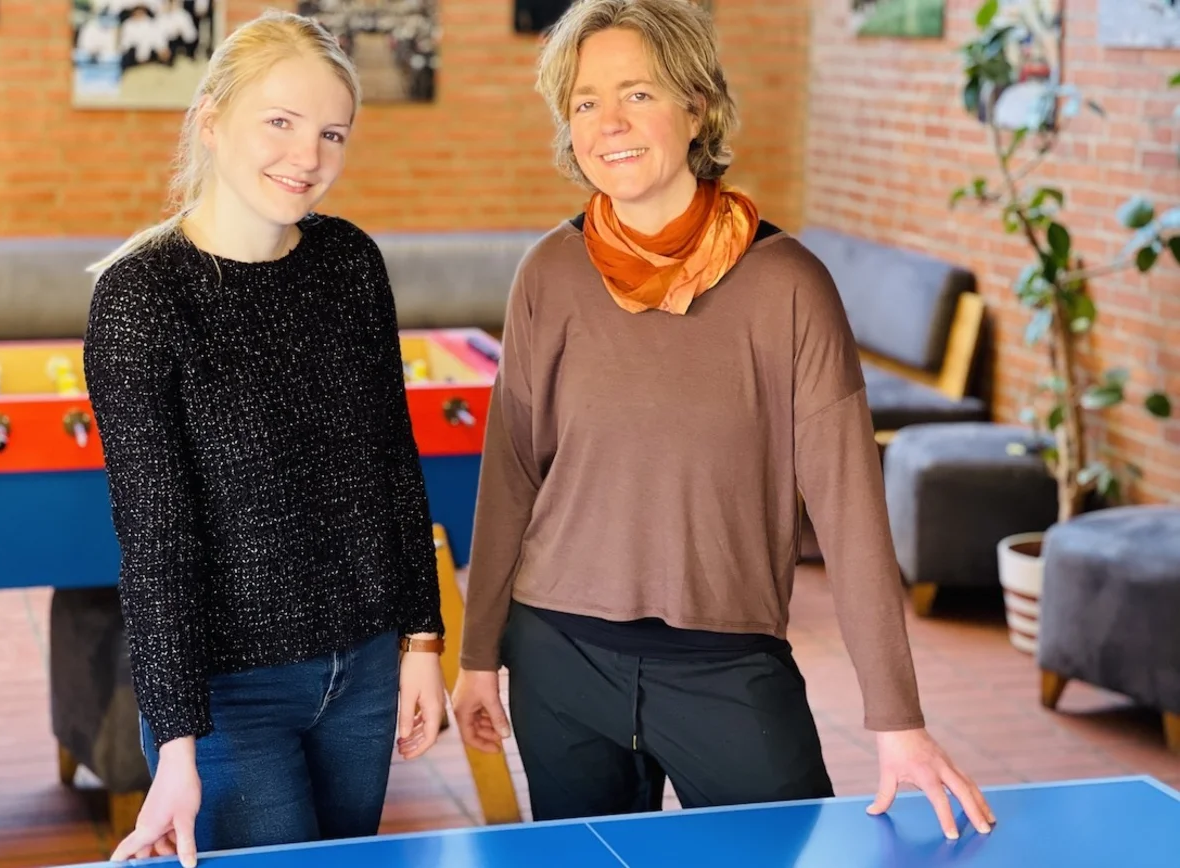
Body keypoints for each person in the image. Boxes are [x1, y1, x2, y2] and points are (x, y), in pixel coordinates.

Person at [450, 0, 996, 842]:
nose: (608, 123)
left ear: (697, 104)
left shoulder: (789, 285)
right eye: (586, 100)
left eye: (637, 92)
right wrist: (479, 654)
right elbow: (512, 475)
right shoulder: (548, 275)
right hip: (559, 658)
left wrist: (896, 717)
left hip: (728, 667)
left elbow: (850, 512)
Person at [82, 10, 446, 865]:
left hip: (363, 673)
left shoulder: (351, 262)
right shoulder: (142, 299)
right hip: (229, 694)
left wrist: (422, 642)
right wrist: (175, 746)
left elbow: (394, 463)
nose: (307, 156)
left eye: (331, 133)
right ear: (212, 119)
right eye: (279, 122)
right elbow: (156, 538)